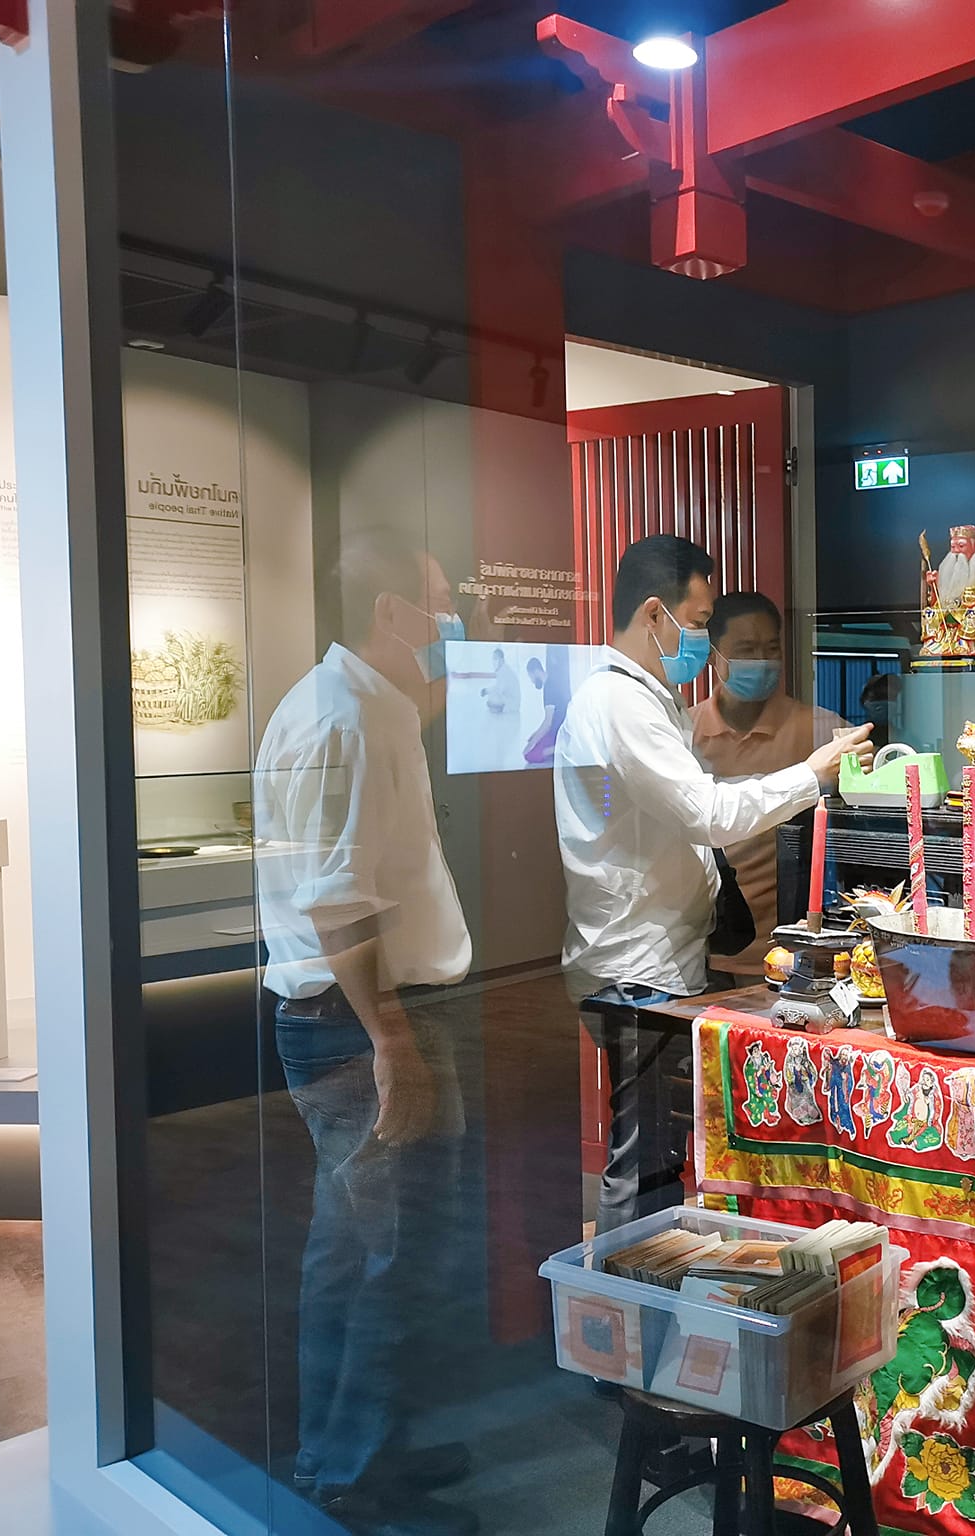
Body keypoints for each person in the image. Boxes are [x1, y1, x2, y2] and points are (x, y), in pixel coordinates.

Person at [254, 528, 479, 1536]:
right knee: (388, 1253)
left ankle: (356, 1447)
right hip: (358, 1029)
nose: (452, 619)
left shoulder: (363, 704)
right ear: (391, 612)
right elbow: (337, 902)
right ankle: (353, 1476)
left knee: (363, 1249)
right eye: (441, 602)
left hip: (369, 1022)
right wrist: (392, 1042)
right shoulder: (342, 720)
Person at [556, 536, 872, 1230]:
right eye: (698, 622)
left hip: (658, 956)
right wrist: (810, 776)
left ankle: (650, 1280)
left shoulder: (650, 697)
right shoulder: (620, 703)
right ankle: (626, 1288)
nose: (701, 640)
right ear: (654, 614)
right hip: (636, 967)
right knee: (642, 1157)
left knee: (661, 1152)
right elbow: (708, 815)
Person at [687, 590, 852, 982]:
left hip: (792, 957)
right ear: (712, 654)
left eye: (771, 649)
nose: (761, 661)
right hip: (701, 954)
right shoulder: (684, 732)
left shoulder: (822, 731)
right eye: (746, 650)